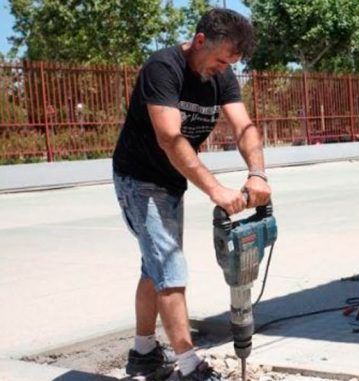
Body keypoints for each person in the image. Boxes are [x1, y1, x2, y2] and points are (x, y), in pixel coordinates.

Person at [112, 8, 271, 381]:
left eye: (230, 62)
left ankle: (144, 353)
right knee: (170, 267)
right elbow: (169, 137)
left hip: (172, 180)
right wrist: (215, 189)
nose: (222, 68)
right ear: (200, 41)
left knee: (155, 267)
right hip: (138, 178)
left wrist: (257, 174)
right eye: (219, 59)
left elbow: (243, 126)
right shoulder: (162, 68)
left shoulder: (223, 76)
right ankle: (189, 366)